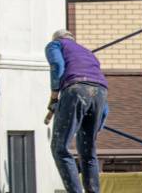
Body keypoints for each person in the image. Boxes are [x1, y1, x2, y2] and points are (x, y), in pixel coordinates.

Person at [45, 29, 108, 193]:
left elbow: (57, 65)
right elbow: (104, 104)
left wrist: (54, 95)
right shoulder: (88, 54)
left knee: (60, 148)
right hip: (100, 93)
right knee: (88, 152)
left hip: (76, 89)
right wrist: (98, 121)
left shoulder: (56, 44)